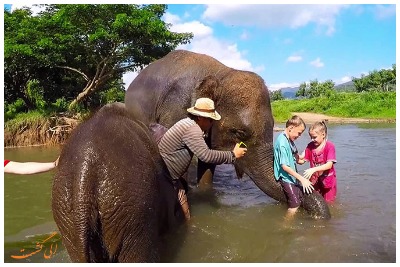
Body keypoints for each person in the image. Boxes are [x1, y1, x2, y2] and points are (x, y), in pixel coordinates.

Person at [158, 97, 248, 220]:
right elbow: (206, 156)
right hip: (165, 179)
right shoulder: (192, 129)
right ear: (200, 117)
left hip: (172, 178)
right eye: (210, 120)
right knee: (170, 219)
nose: (212, 123)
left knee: (186, 217)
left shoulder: (187, 123)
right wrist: (232, 155)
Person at [273, 115, 314, 218]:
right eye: (299, 133)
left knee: (298, 198)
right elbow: (284, 166)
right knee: (295, 205)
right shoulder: (282, 142)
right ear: (291, 128)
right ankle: (285, 226)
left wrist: (303, 159)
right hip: (285, 177)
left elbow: (297, 158)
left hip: (291, 176)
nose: (299, 136)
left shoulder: (289, 140)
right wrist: (302, 179)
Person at [300, 121, 337, 203]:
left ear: (323, 135)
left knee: (329, 203)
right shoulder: (310, 146)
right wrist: (295, 156)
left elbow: (329, 165)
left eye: (314, 137)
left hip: (328, 180)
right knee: (315, 201)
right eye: (311, 137)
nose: (312, 139)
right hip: (315, 180)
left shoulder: (330, 147)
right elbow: (302, 160)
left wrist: (313, 169)